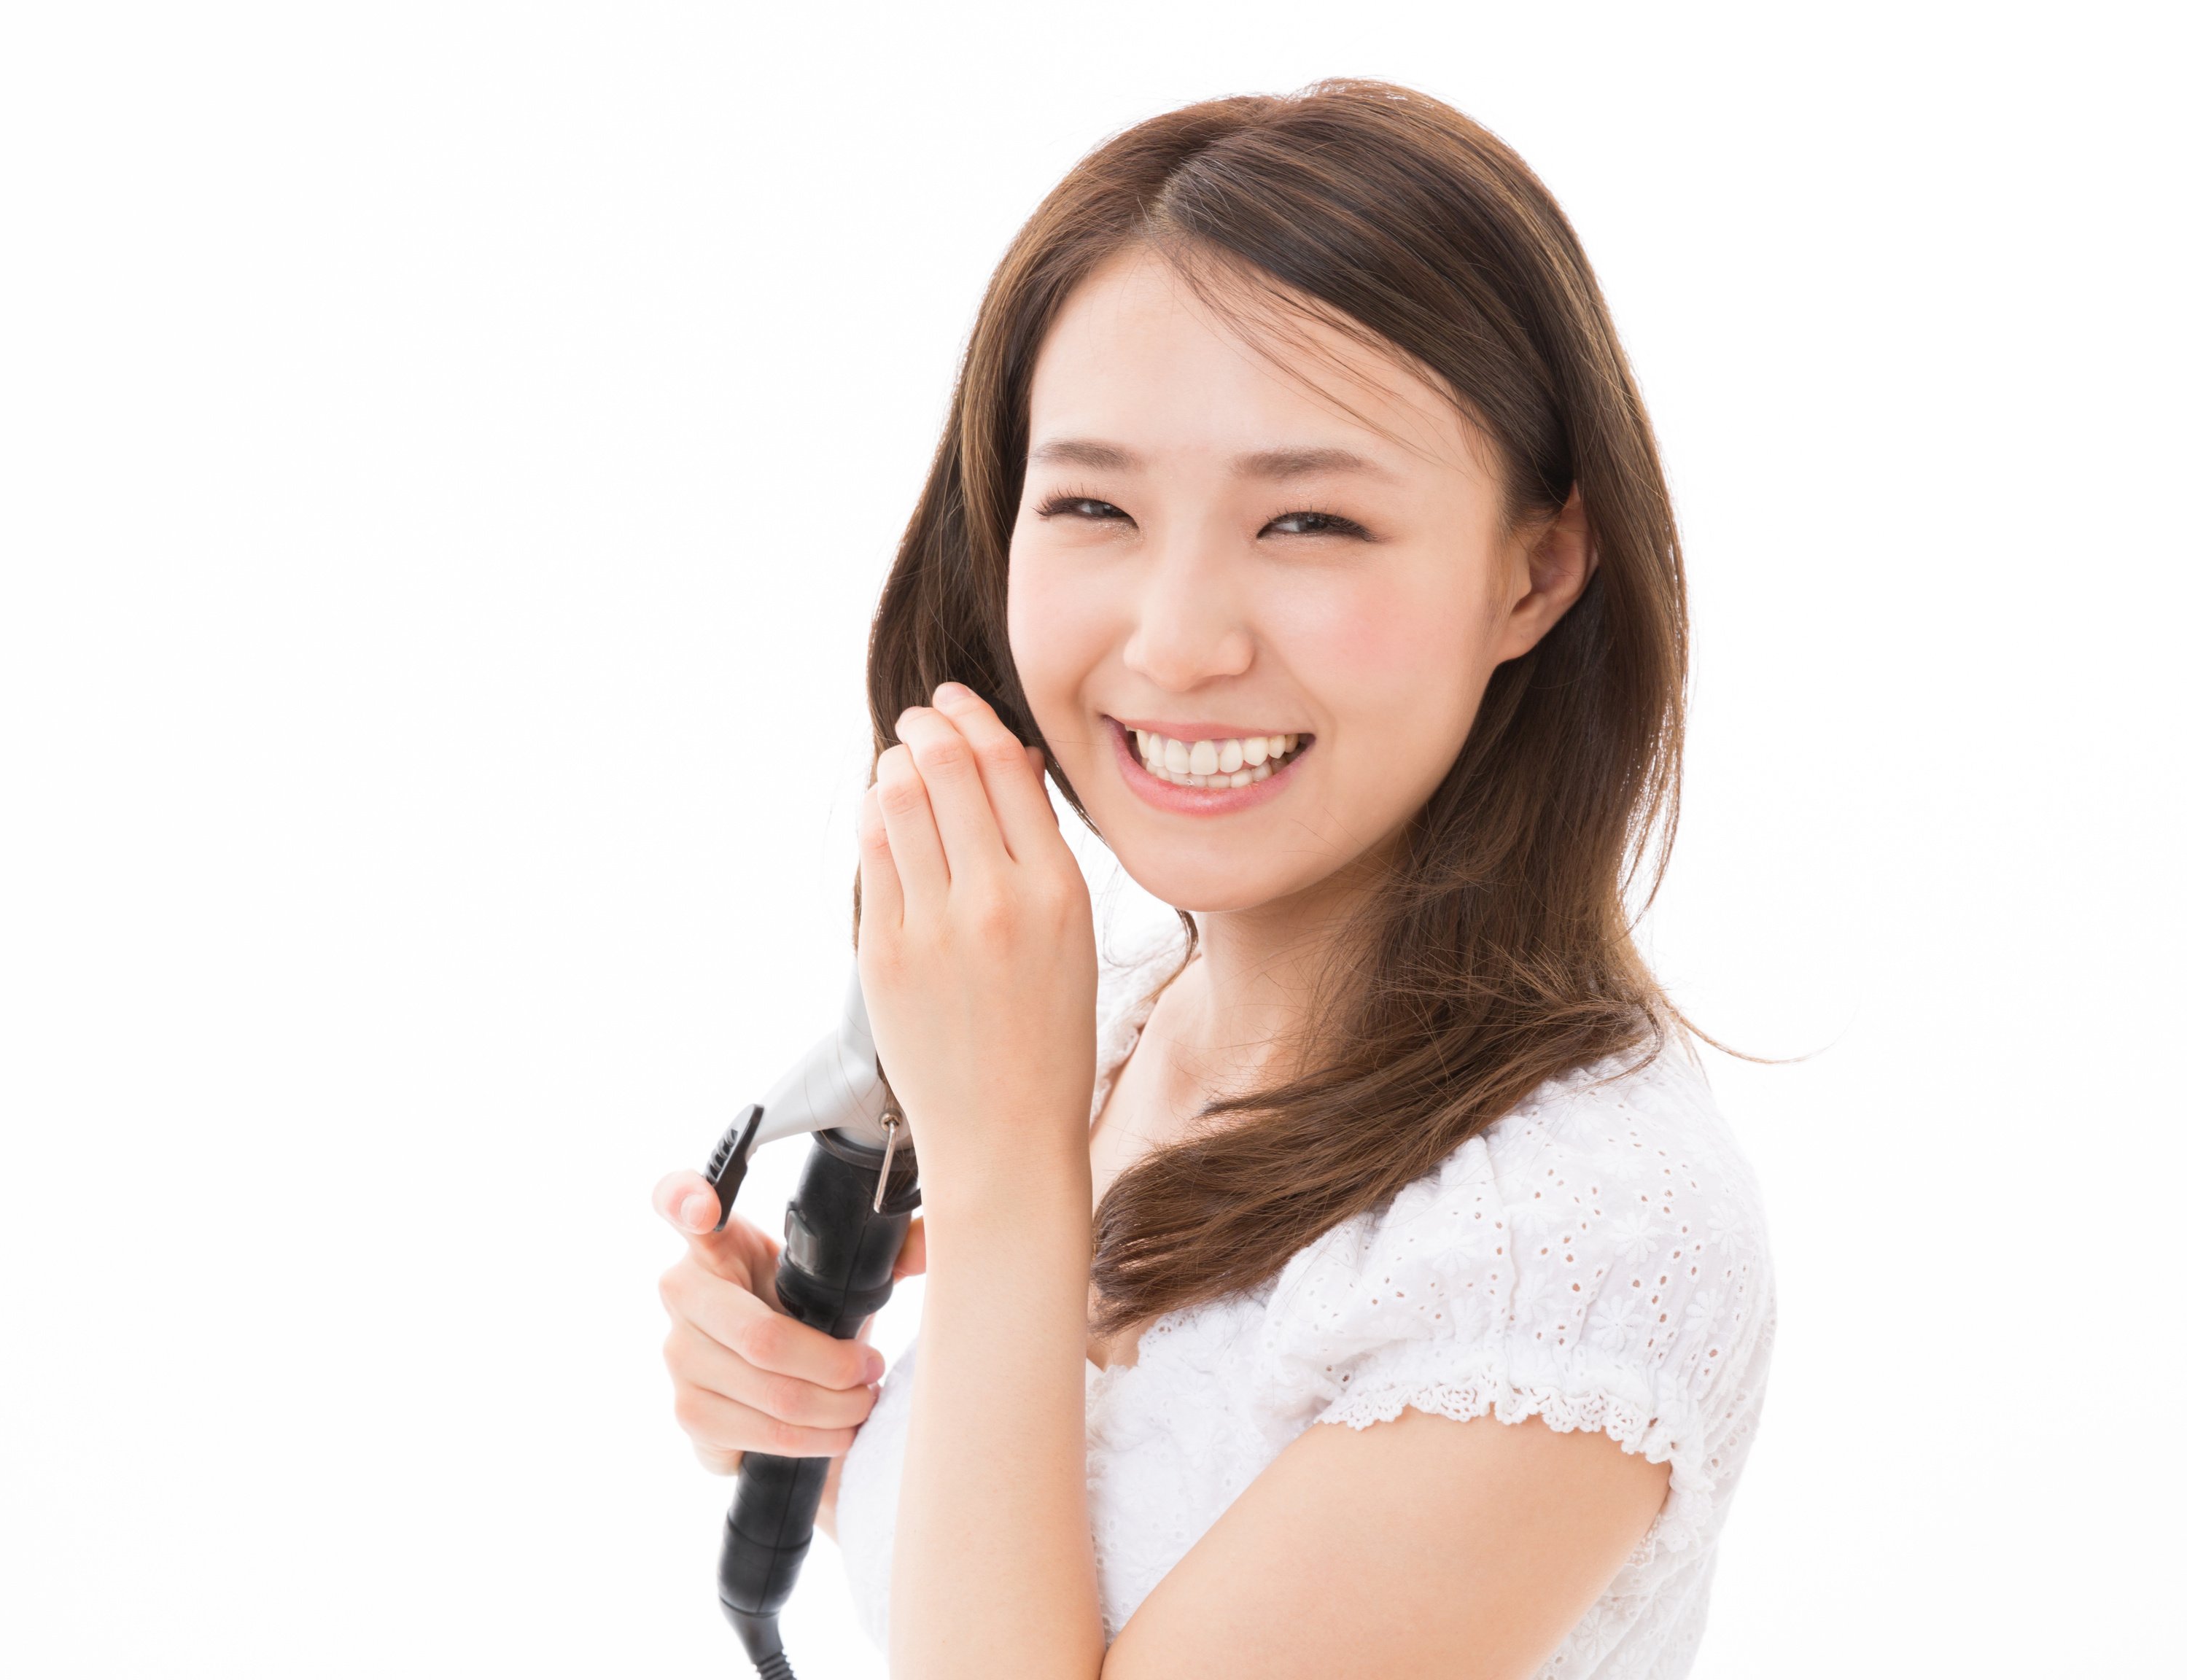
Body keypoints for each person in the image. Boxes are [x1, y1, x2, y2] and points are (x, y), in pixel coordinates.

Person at [651, 79, 1774, 1680]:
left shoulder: (1577, 1244)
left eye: (1310, 520)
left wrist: (1004, 1182)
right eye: (1094, 505)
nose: (1177, 640)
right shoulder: (1109, 1033)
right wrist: (811, 1436)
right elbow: (1050, 1584)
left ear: (1535, 569)